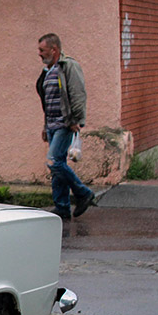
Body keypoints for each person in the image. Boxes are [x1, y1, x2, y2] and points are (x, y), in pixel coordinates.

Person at [36, 33, 95, 220]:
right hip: (52, 125)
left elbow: (78, 93)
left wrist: (76, 120)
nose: (39, 54)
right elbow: (48, 101)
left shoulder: (68, 66)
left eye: (42, 50)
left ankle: (83, 193)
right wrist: (45, 126)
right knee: (56, 168)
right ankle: (61, 207)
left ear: (54, 50)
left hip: (65, 123)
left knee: (54, 162)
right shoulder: (47, 71)